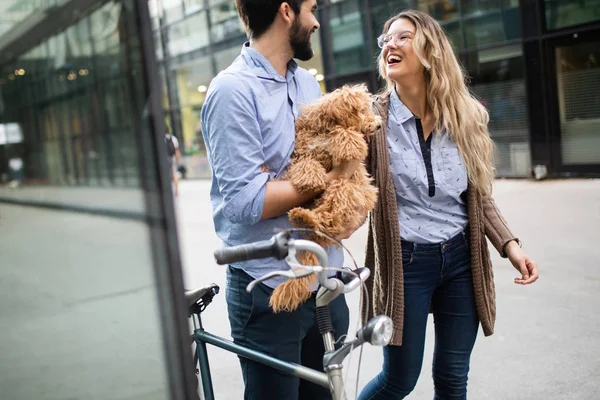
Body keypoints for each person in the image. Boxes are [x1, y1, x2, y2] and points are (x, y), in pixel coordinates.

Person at [358, 10, 539, 400]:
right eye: (385, 40)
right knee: (398, 380)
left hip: (461, 260)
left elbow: (478, 197)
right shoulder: (370, 122)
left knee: (453, 376)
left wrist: (511, 246)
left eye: (402, 37)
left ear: (431, 50)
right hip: (405, 264)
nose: (390, 44)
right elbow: (349, 189)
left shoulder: (464, 116)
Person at [200, 1, 362, 399]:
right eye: (311, 8)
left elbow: (327, 157)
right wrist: (328, 178)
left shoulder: (307, 84)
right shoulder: (231, 91)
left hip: (325, 283)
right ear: (286, 11)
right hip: (269, 292)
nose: (317, 21)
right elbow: (245, 201)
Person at [165, 131, 182, 196]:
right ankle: (176, 191)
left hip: (165, 158)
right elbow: (176, 150)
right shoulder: (173, 138)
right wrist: (179, 159)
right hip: (172, 158)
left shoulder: (160, 137)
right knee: (174, 174)